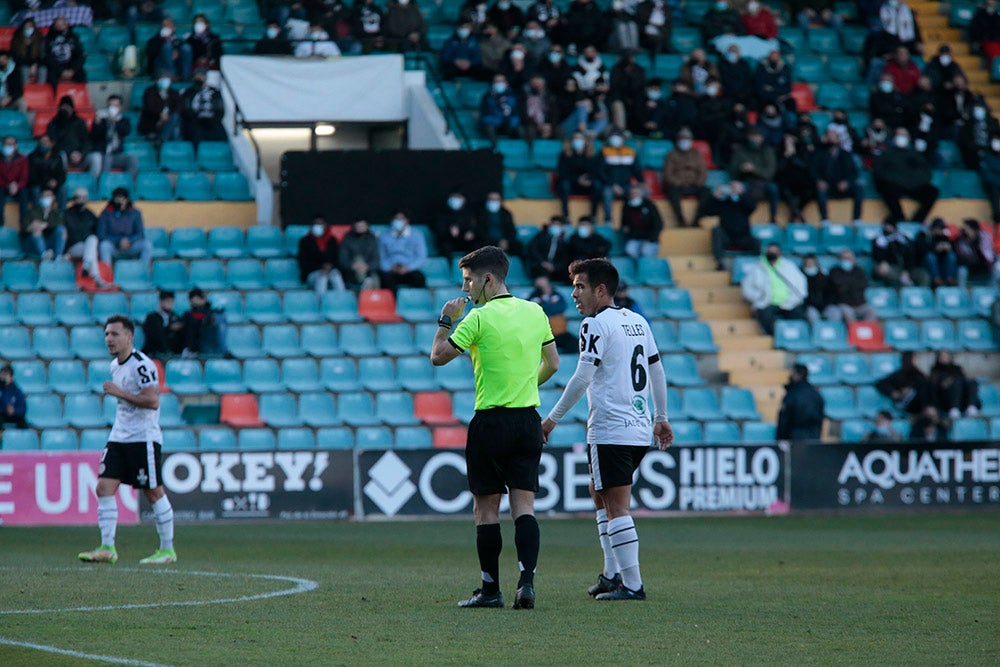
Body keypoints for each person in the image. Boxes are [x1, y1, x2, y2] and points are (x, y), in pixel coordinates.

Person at [430, 245, 560, 610]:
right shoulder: (535, 312)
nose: (467, 289)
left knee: (486, 510)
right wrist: (527, 387)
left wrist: (445, 319)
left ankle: (490, 590)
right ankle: (527, 583)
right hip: (527, 421)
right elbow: (553, 362)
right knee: (525, 506)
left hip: (491, 421)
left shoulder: (478, 318)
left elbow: (437, 357)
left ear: (488, 279)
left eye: (469, 280)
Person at [541, 258, 671, 601]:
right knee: (599, 493)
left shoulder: (594, 325)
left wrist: (552, 417)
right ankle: (612, 574)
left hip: (611, 427)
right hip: (640, 427)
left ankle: (632, 584)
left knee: (616, 505)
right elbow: (656, 369)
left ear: (601, 290)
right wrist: (661, 417)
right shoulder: (637, 320)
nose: (573, 295)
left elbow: (582, 377)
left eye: (580, 287)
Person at [78, 315, 176, 565]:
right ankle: (107, 547)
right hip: (119, 437)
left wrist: (119, 392)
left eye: (114, 334)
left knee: (153, 492)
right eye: (106, 334)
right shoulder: (115, 365)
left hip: (142, 438)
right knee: (104, 487)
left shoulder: (142, 365)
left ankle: (167, 550)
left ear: (129, 337)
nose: (109, 339)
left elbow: (153, 401)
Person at [874, 128, 939, 223]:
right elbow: (879, 173)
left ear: (908, 138)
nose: (901, 138)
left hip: (914, 186)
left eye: (904, 135)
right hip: (894, 185)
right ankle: (899, 217)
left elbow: (925, 172)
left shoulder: (915, 154)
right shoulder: (886, 154)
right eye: (899, 135)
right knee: (887, 189)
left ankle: (917, 221)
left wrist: (913, 182)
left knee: (932, 192)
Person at [740, 243, 808, 335]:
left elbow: (800, 285)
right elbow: (747, 288)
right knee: (765, 315)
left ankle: (794, 338)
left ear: (779, 253)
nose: (771, 254)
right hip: (766, 302)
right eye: (769, 252)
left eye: (774, 252)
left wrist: (795, 299)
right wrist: (759, 296)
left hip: (789, 302)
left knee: (798, 314)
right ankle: (775, 337)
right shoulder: (757, 268)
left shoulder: (789, 266)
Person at [812, 127, 863, 225]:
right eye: (829, 136)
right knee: (820, 191)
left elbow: (854, 172)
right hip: (827, 186)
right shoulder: (819, 154)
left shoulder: (846, 154)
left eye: (833, 137)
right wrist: (819, 180)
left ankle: (856, 219)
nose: (831, 139)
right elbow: (813, 171)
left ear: (838, 139)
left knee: (859, 188)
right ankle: (824, 220)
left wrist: (847, 182)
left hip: (843, 186)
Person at [661, 127, 709, 228]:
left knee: (706, 192)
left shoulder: (696, 154)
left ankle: (697, 220)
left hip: (693, 184)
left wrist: (697, 183)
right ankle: (680, 220)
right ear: (677, 141)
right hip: (677, 185)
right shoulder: (671, 154)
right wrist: (678, 182)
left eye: (687, 139)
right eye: (682, 139)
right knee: (672, 191)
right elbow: (667, 174)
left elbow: (703, 172)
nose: (685, 142)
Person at [705, 181, 759, 270]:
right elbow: (708, 212)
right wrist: (714, 197)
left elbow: (752, 207)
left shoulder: (744, 202)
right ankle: (719, 263)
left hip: (743, 237)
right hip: (727, 237)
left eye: (735, 187)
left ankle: (758, 265)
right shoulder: (724, 202)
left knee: (757, 242)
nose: (732, 189)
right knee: (716, 230)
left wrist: (741, 194)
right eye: (731, 187)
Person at [728, 127, 778, 223]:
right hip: (747, 182)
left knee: (773, 188)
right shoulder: (740, 151)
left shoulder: (768, 151)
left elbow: (770, 173)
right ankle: (744, 219)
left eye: (757, 136)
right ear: (748, 137)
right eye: (752, 136)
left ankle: (773, 217)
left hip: (764, 184)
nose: (755, 139)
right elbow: (733, 173)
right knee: (740, 189)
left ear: (762, 138)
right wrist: (741, 169)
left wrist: (754, 169)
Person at [98, 187, 152, 270]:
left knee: (147, 245)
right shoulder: (105, 213)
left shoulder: (135, 213)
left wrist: (129, 240)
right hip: (114, 246)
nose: (120, 202)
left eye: (122, 199)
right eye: (117, 199)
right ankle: (107, 274)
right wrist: (118, 241)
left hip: (130, 245)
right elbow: (101, 234)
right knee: (104, 246)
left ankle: (143, 272)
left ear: (127, 199)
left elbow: (140, 234)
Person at [89, 94, 139, 183]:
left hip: (117, 154)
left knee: (132, 159)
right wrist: (97, 123)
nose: (112, 108)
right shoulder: (101, 119)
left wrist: (115, 122)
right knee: (107, 159)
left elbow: (126, 131)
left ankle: (129, 185)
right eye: (110, 106)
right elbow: (95, 136)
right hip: (104, 153)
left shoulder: (124, 120)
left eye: (115, 106)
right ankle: (104, 185)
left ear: (120, 107)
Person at [556, 132, 603, 220]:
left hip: (587, 185)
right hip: (572, 184)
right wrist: (578, 179)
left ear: (585, 141)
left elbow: (597, 172)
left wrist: (588, 180)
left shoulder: (592, 155)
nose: (578, 141)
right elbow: (562, 173)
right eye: (575, 138)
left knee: (598, 185)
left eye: (580, 138)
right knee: (564, 185)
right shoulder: (564, 155)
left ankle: (593, 216)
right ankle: (566, 216)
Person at [600, 129, 642, 224]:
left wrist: (641, 182)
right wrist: (613, 185)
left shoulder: (630, 151)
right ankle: (608, 220)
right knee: (607, 193)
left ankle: (637, 220)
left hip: (626, 185)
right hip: (610, 185)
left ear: (622, 138)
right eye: (612, 136)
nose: (615, 139)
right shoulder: (604, 151)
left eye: (618, 136)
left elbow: (636, 170)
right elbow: (601, 172)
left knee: (639, 193)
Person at [378, 211, 428, 292]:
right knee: (385, 279)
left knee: (419, 278)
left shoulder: (417, 235)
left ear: (407, 221)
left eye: (401, 219)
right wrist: (390, 268)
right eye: (396, 219)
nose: (398, 221)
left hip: (410, 269)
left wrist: (408, 268)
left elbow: (421, 256)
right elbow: (381, 257)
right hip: (391, 270)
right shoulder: (384, 236)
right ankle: (391, 303)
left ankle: (417, 302)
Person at [823, 249, 877, 323]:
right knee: (848, 313)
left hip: (860, 303)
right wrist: (852, 284)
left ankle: (864, 331)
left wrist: (848, 284)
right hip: (844, 303)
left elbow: (864, 284)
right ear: (839, 259)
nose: (846, 261)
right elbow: (839, 286)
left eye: (848, 258)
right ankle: (854, 333)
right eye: (844, 258)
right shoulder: (834, 271)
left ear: (853, 259)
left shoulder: (859, 270)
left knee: (872, 312)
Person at [64, 186, 104, 285]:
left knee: (93, 240)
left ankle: (87, 266)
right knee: (91, 248)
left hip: (86, 247)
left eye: (83, 198)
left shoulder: (90, 215)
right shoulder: (67, 214)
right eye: (78, 198)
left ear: (86, 199)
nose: (80, 200)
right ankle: (97, 278)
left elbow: (97, 231)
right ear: (74, 198)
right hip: (73, 247)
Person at [776, 363, 825, 443]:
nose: (790, 376)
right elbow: (820, 420)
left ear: (798, 375)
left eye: (792, 373)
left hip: (794, 441)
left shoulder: (791, 395)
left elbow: (783, 421)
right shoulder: (817, 395)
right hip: (814, 441)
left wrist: (780, 440)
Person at [298, 215, 346, 296]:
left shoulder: (332, 240)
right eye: (316, 224)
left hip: (331, 270)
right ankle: (321, 303)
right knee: (322, 277)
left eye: (321, 224)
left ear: (325, 226)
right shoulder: (305, 241)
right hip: (312, 273)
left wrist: (330, 266)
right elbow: (303, 262)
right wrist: (321, 267)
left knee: (336, 275)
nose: (318, 227)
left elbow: (336, 258)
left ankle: (342, 300)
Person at [872, 218, 928, 287]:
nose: (888, 228)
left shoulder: (903, 238)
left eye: (890, 226)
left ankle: (921, 295)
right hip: (892, 267)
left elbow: (911, 253)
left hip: (908, 268)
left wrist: (906, 269)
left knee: (924, 276)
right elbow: (878, 256)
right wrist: (883, 261)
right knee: (885, 271)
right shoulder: (879, 240)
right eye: (887, 226)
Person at [527, 275, 577, 352]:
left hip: (559, 333)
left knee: (575, 343)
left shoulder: (556, 295)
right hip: (542, 335)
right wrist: (549, 305)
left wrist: (544, 305)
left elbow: (561, 307)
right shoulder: (532, 297)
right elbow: (535, 311)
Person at [47, 95, 94, 174]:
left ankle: (94, 182)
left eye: (68, 107)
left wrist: (81, 154)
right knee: (61, 157)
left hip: (80, 156)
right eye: (63, 108)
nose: (66, 110)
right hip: (63, 156)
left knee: (95, 158)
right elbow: (53, 143)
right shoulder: (53, 124)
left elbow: (87, 142)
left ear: (72, 109)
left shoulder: (80, 122)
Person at [929, 350, 981, 419]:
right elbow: (938, 386)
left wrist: (952, 380)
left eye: (945, 356)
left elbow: (963, 380)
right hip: (946, 400)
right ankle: (954, 409)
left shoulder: (957, 369)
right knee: (956, 383)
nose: (944, 358)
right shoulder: (935, 371)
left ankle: (971, 407)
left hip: (962, 399)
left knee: (972, 382)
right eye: (942, 356)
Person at [181, 69, 227, 146]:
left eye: (201, 76)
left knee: (218, 130)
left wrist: (212, 118)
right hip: (195, 120)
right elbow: (186, 110)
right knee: (195, 130)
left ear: (205, 77)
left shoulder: (215, 92)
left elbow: (220, 110)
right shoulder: (188, 92)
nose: (199, 78)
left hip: (212, 120)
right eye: (197, 76)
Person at [478, 73, 523, 148]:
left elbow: (516, 112)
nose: (499, 83)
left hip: (509, 123)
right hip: (494, 122)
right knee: (489, 127)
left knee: (520, 129)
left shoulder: (513, 95)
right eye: (497, 81)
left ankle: (519, 151)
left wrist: (510, 120)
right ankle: (495, 149)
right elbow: (485, 113)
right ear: (493, 83)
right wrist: (498, 120)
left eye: (501, 81)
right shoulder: (487, 96)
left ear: (506, 83)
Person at [20, 187, 65, 260]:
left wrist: (45, 225)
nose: (45, 198)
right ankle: (44, 255)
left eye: (48, 196)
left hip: (49, 242)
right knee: (36, 230)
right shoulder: (32, 212)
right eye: (43, 196)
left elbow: (59, 223)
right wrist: (31, 227)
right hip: (32, 244)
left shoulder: (56, 213)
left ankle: (58, 256)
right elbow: (24, 228)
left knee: (62, 230)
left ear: (53, 198)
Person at [619, 184, 662, 259]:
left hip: (649, 239)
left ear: (642, 194)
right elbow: (623, 223)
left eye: (636, 193)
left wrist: (651, 239)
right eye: (632, 194)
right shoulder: (626, 207)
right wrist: (625, 229)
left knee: (646, 252)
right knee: (630, 251)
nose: (634, 196)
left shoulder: (650, 206)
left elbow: (658, 224)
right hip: (635, 238)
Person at [180, 288, 227, 356]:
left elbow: (209, 318)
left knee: (220, 319)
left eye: (198, 300)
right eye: (194, 302)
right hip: (199, 345)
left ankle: (224, 350)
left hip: (210, 343)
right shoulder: (188, 314)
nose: (197, 303)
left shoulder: (211, 313)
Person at [138, 72, 183, 142]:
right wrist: (160, 114)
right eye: (162, 78)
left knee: (175, 118)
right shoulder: (150, 91)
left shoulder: (174, 93)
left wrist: (167, 115)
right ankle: (165, 141)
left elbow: (178, 106)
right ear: (157, 80)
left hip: (169, 120)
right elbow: (149, 106)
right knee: (174, 126)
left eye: (167, 79)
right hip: (154, 122)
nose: (165, 81)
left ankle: (161, 140)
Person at [474, 190, 521, 256]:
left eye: (496, 199)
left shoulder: (506, 214)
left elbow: (512, 231)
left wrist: (506, 241)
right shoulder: (481, 214)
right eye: (491, 199)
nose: (494, 202)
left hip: (504, 241)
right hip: (486, 242)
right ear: (487, 200)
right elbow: (479, 232)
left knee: (518, 246)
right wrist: (497, 242)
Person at [339, 217, 381, 290]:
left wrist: (367, 266)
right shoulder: (347, 238)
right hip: (351, 272)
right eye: (358, 226)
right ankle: (364, 283)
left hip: (369, 270)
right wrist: (352, 265)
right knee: (358, 258)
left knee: (375, 279)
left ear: (367, 226)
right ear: (354, 227)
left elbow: (376, 259)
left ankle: (373, 299)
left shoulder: (372, 239)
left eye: (362, 226)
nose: (360, 228)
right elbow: (342, 259)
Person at [43, 15, 85, 86]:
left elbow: (80, 55)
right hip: (55, 67)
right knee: (50, 75)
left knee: (81, 74)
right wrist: (61, 71)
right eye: (58, 25)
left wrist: (73, 70)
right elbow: (47, 57)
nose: (61, 27)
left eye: (63, 24)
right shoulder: (48, 38)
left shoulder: (73, 37)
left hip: (71, 66)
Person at [435, 190, 481, 256]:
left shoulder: (469, 213)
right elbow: (439, 231)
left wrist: (471, 232)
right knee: (445, 246)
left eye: (458, 197)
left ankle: (472, 265)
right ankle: (449, 265)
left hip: (464, 241)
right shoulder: (442, 213)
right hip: (448, 240)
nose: (455, 200)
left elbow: (474, 227)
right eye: (453, 197)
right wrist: (449, 232)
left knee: (476, 245)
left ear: (464, 200)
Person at [525, 216, 571, 281]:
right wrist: (543, 263)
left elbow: (564, 259)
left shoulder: (563, 242)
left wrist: (554, 266)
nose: (555, 227)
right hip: (540, 266)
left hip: (555, 269)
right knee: (542, 272)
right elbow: (533, 251)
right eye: (554, 224)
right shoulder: (540, 236)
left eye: (558, 225)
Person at [142, 290, 185, 357]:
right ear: (161, 302)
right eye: (168, 301)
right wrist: (169, 328)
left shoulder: (175, 316)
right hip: (154, 350)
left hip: (172, 349)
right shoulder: (152, 317)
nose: (170, 304)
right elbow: (152, 333)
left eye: (172, 301)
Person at [27, 133, 65, 208]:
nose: (44, 144)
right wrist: (47, 183)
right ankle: (37, 213)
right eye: (42, 142)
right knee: (35, 190)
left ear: (51, 144)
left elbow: (62, 175)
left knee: (63, 190)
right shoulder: (32, 157)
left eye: (46, 142)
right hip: (39, 185)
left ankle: (62, 215)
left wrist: (56, 182)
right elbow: (32, 176)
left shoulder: (57, 157)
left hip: (53, 185)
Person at [0, 135, 30, 229]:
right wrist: (8, 185)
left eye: (11, 144)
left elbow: (24, 177)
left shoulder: (22, 159)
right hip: (2, 186)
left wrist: (17, 185)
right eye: (7, 144)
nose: (9, 146)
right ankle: (0, 224)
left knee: (24, 195)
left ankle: (24, 225)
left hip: (18, 186)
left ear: (16, 146)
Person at [800, 254, 830, 325]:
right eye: (808, 263)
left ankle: (833, 334)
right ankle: (818, 334)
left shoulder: (824, 277)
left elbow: (830, 293)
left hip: (825, 305)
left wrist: (826, 304)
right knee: (812, 314)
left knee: (835, 312)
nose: (810, 265)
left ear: (816, 264)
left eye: (812, 263)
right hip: (809, 306)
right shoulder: (800, 277)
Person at [0, 364, 27, 431]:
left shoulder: (17, 391)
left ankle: (22, 439)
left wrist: (14, 411)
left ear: (11, 378)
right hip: (2, 414)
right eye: (2, 375)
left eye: (6, 375)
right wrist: (5, 409)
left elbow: (23, 408)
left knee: (22, 422)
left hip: (14, 415)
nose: (3, 378)